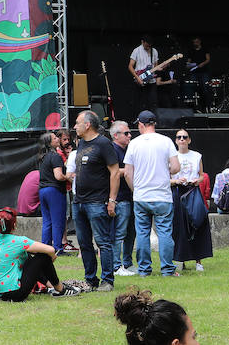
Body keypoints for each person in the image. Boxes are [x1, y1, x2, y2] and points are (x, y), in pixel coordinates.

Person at [122, 110, 180, 277]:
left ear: (141, 124)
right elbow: (176, 167)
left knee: (142, 233)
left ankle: (144, 269)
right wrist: (165, 170)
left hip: (141, 196)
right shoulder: (166, 141)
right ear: (154, 124)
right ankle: (167, 269)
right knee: (165, 233)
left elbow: (127, 172)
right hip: (162, 195)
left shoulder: (134, 143)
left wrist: (135, 190)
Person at [71, 110, 122, 291]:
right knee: (84, 243)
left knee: (103, 242)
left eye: (77, 122)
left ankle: (107, 280)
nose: (74, 126)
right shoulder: (81, 142)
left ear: (87, 125)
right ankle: (90, 280)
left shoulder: (103, 143)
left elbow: (115, 172)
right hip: (79, 202)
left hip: (97, 202)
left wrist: (112, 200)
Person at [0, 207, 81, 301]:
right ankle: (61, 289)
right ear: (14, 225)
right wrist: (51, 258)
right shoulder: (19, 242)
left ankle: (50, 286)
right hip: (15, 294)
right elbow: (51, 250)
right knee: (43, 257)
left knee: (29, 257)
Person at [170, 128, 212, 272]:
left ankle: (198, 260)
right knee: (179, 227)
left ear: (189, 140)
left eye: (184, 137)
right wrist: (176, 181)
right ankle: (179, 259)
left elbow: (202, 175)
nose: (182, 140)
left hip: (193, 192)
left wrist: (196, 180)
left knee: (198, 224)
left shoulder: (196, 156)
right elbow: (166, 179)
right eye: (179, 137)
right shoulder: (172, 156)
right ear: (175, 140)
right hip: (177, 193)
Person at [35, 131, 69, 262]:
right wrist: (69, 178)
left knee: (47, 221)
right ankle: (58, 248)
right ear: (50, 142)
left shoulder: (42, 157)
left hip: (43, 190)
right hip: (54, 191)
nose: (57, 139)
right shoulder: (55, 156)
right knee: (57, 221)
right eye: (55, 138)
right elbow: (58, 176)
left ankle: (45, 247)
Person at [109, 120, 137, 275]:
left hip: (131, 196)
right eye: (126, 133)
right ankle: (116, 266)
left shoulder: (129, 150)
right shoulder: (112, 150)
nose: (129, 135)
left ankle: (127, 262)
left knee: (131, 231)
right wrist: (127, 170)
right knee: (119, 232)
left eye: (129, 132)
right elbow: (110, 172)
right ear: (115, 135)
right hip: (120, 197)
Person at [128, 35, 163, 111]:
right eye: (147, 45)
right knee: (139, 103)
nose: (148, 47)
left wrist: (159, 68)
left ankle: (152, 121)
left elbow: (155, 65)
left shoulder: (154, 51)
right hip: (140, 79)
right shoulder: (136, 51)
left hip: (151, 81)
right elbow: (130, 66)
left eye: (149, 45)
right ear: (142, 42)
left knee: (152, 103)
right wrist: (138, 78)